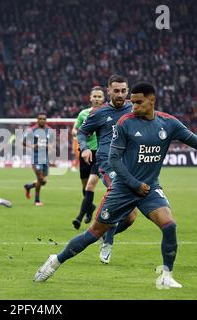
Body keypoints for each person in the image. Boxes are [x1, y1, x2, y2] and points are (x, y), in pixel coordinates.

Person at [34, 82, 197, 288]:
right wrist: (134, 183)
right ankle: (55, 261)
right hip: (123, 188)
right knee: (93, 234)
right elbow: (114, 159)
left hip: (149, 188)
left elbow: (191, 138)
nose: (134, 105)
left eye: (138, 102)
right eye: (133, 101)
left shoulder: (168, 123)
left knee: (169, 226)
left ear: (152, 101)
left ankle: (167, 276)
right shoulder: (125, 123)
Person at [77, 75, 138, 264]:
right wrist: (85, 147)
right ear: (108, 91)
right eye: (116, 90)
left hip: (129, 165)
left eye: (123, 90)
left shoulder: (134, 108)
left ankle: (104, 235)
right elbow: (81, 132)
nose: (120, 94)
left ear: (127, 91)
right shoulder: (98, 113)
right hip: (107, 164)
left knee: (131, 217)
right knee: (119, 201)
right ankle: (108, 242)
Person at [71, 86, 105, 230]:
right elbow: (74, 129)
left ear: (103, 99)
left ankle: (79, 217)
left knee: (91, 184)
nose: (97, 99)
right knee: (85, 187)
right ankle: (90, 208)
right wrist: (78, 134)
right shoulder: (83, 114)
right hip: (85, 152)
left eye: (99, 96)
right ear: (90, 98)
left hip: (100, 153)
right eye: (95, 96)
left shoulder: (107, 114)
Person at [23, 112, 54, 206]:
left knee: (43, 181)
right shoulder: (31, 130)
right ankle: (37, 200)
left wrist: (50, 148)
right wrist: (33, 145)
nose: (42, 120)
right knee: (40, 178)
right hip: (35, 157)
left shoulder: (50, 130)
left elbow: (52, 143)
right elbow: (23, 142)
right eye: (40, 119)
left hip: (45, 158)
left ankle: (29, 186)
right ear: (37, 119)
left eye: (44, 119)